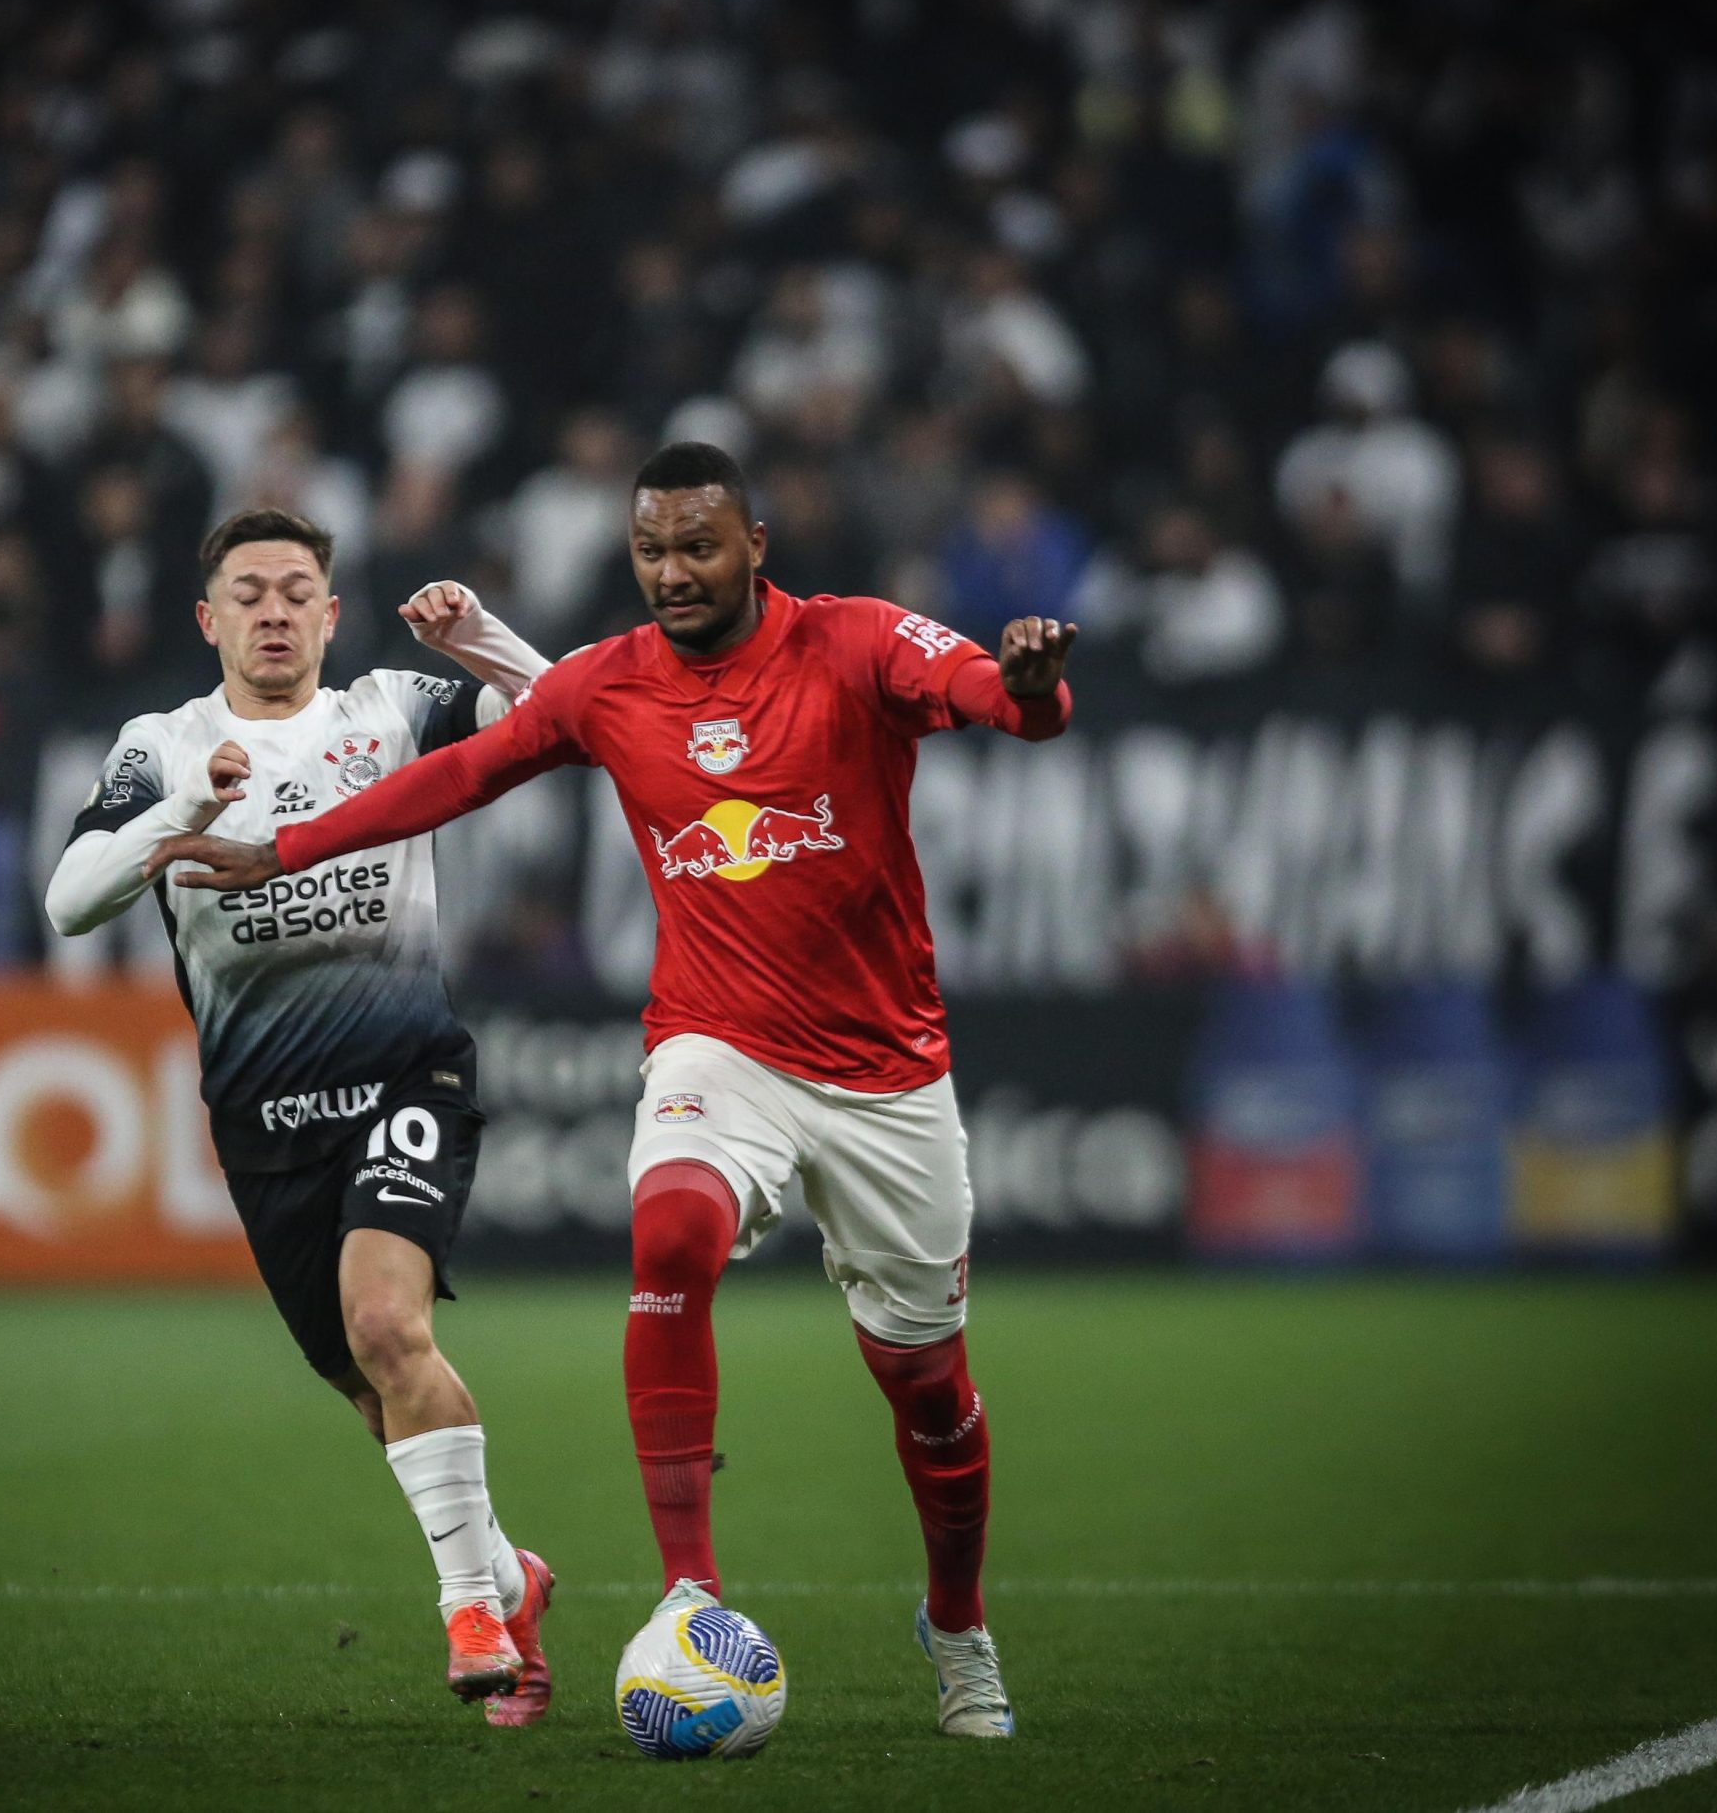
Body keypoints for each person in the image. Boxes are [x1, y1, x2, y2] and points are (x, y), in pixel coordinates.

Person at [151, 442, 1078, 1739]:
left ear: (755, 542)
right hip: (718, 1045)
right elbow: (454, 776)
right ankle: (689, 1591)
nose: (673, 572)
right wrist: (284, 846)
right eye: (651, 551)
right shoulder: (611, 683)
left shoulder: (856, 642)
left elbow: (996, 692)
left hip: (887, 1073)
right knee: (672, 1228)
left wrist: (1033, 690)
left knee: (928, 1384)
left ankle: (959, 1623)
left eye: (699, 546)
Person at [42, 506, 558, 1719]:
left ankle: (469, 1613)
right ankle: (510, 1577)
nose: (273, 611)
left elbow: (566, 720)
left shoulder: (390, 711)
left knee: (387, 1324)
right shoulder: (162, 743)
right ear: (208, 618)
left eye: (295, 591)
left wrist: (477, 634)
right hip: (264, 1124)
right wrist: (184, 817)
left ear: (329, 615)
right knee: (377, 1388)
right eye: (249, 592)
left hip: (406, 1078)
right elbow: (69, 902)